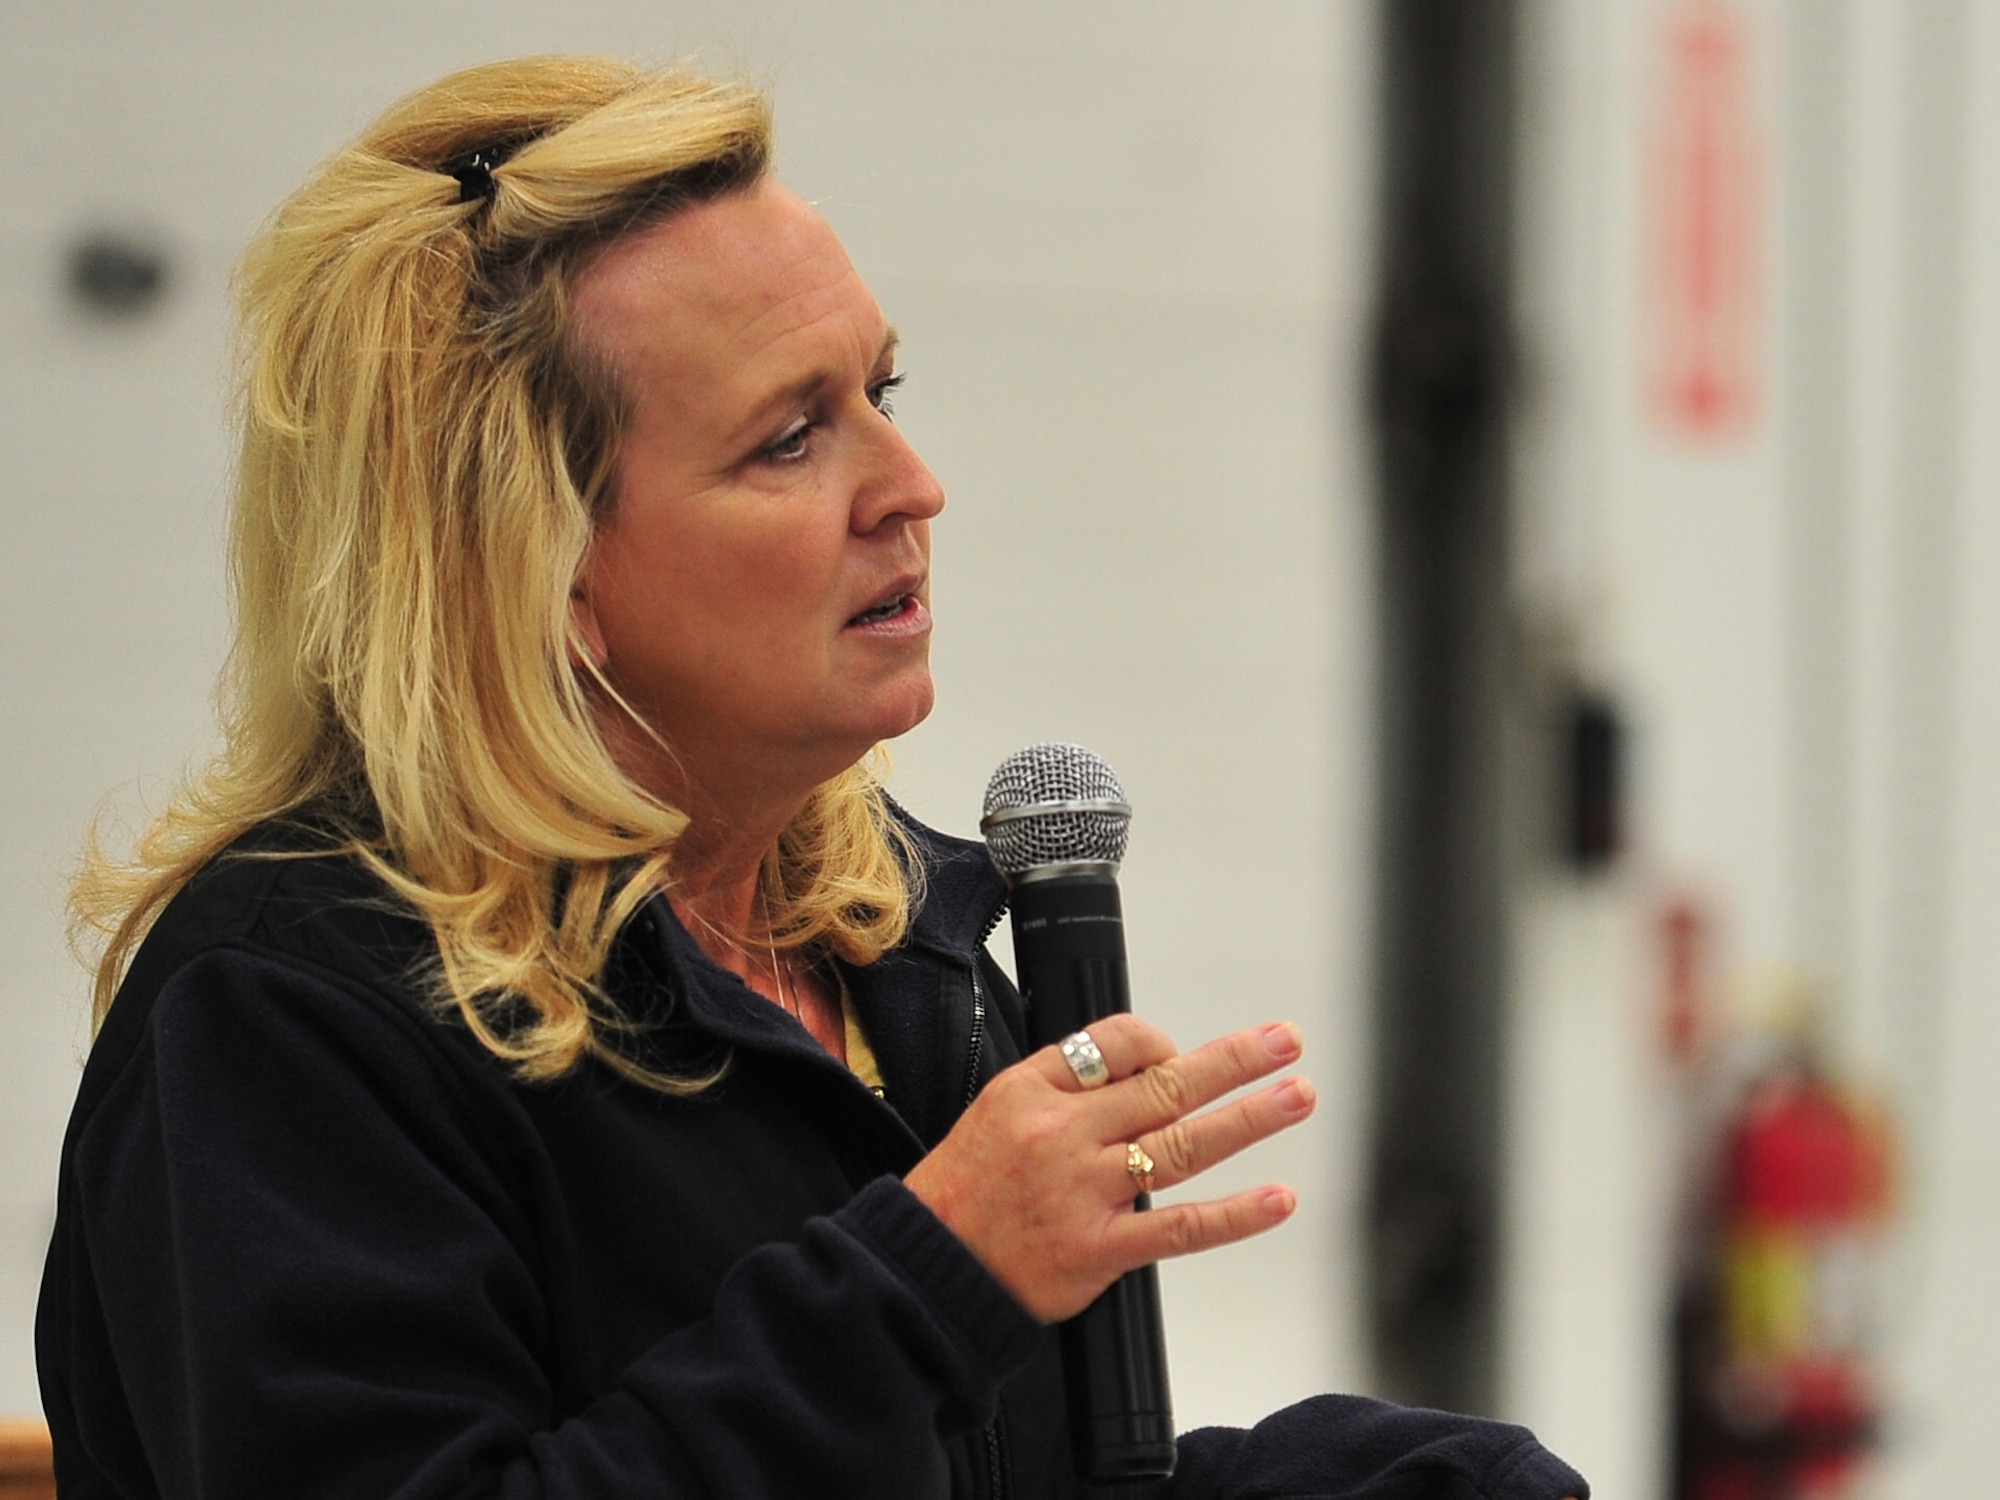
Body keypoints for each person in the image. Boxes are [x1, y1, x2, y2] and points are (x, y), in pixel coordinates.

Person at [36, 57, 1589, 1500]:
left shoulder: (882, 938)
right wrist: (934, 1275)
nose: (912, 489)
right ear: (540, 572)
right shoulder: (285, 1017)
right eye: (791, 440)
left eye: (882, 397)